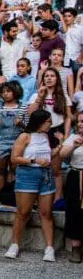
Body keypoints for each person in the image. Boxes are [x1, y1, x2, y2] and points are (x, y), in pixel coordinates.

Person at [6, 110, 57, 262]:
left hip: (45, 175)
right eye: (48, 121)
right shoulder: (25, 136)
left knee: (46, 212)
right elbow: (14, 158)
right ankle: (14, 244)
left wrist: (59, 148)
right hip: (28, 174)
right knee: (23, 212)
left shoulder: (46, 136)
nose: (50, 124)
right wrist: (34, 161)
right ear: (40, 122)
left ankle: (49, 247)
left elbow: (47, 156)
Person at [58, 110, 83, 263]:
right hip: (76, 175)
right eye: (79, 121)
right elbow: (62, 155)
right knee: (75, 210)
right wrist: (74, 146)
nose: (80, 124)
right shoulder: (74, 138)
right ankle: (76, 248)